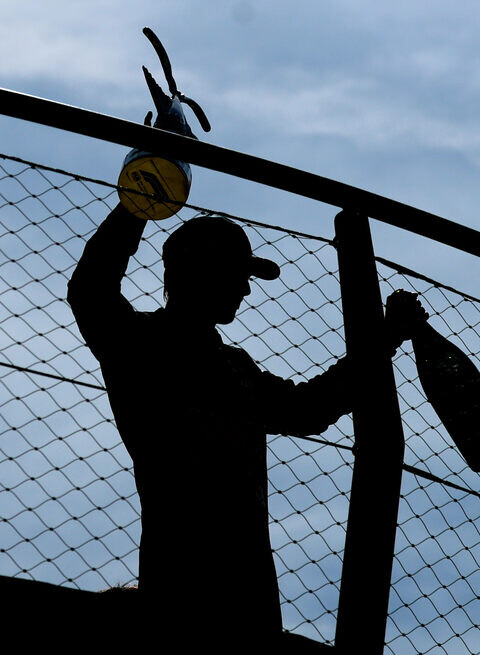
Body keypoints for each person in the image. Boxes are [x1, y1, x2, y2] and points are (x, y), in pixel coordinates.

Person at [67, 203, 423, 645]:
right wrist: (139, 200)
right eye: (238, 276)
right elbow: (90, 289)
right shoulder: (140, 344)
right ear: (204, 273)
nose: (246, 291)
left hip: (241, 592)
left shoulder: (233, 367)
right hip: (186, 585)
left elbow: (307, 408)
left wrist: (385, 337)